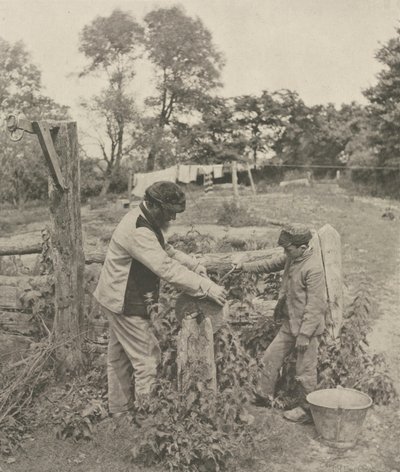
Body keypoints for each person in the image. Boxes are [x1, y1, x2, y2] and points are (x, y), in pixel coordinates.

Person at [93, 181, 227, 419]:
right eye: (170, 212)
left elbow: (168, 251)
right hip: (124, 302)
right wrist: (206, 287)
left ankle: (119, 412)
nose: (173, 219)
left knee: (119, 356)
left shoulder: (145, 218)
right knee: (147, 358)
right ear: (155, 205)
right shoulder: (138, 230)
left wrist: (195, 265)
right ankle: (147, 419)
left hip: (115, 297)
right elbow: (166, 268)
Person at [235, 223, 327, 422]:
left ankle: (307, 411)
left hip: (306, 329)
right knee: (270, 356)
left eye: (288, 248)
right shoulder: (292, 258)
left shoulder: (313, 269)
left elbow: (316, 306)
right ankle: (263, 394)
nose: (285, 252)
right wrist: (244, 267)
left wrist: (304, 335)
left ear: (302, 248)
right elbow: (269, 264)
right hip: (290, 322)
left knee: (305, 370)